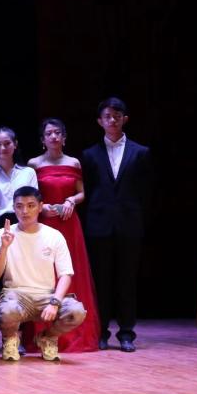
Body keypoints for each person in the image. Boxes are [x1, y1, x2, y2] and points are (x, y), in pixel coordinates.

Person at [80, 97, 152, 352]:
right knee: (101, 282)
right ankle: (101, 332)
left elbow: (146, 191)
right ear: (99, 121)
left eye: (117, 116)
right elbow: (87, 191)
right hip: (98, 226)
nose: (112, 120)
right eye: (107, 116)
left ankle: (126, 333)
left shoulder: (141, 152)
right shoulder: (89, 154)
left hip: (129, 225)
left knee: (127, 281)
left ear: (125, 119)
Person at [0, 186, 86, 362]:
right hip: (15, 295)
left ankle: (48, 337)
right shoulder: (2, 235)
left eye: (31, 205)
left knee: (76, 312)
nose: (25, 211)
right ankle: (10, 339)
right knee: (7, 311)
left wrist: (55, 302)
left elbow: (65, 275)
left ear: (40, 207)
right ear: (14, 208)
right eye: (19, 206)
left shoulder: (54, 235)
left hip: (47, 296)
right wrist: (4, 247)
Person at [26, 118, 101, 352]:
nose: (54, 136)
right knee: (45, 272)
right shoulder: (34, 163)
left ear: (64, 137)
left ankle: (73, 331)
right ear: (42, 139)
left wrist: (71, 201)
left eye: (58, 133)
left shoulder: (73, 162)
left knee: (70, 270)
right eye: (49, 133)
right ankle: (41, 331)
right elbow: (30, 194)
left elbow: (82, 193)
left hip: (69, 224)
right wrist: (42, 207)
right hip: (44, 222)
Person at [0, 126, 38, 241]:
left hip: (24, 223)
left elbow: (34, 202)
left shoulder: (28, 172)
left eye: (7, 143)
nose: (3, 148)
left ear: (15, 144)